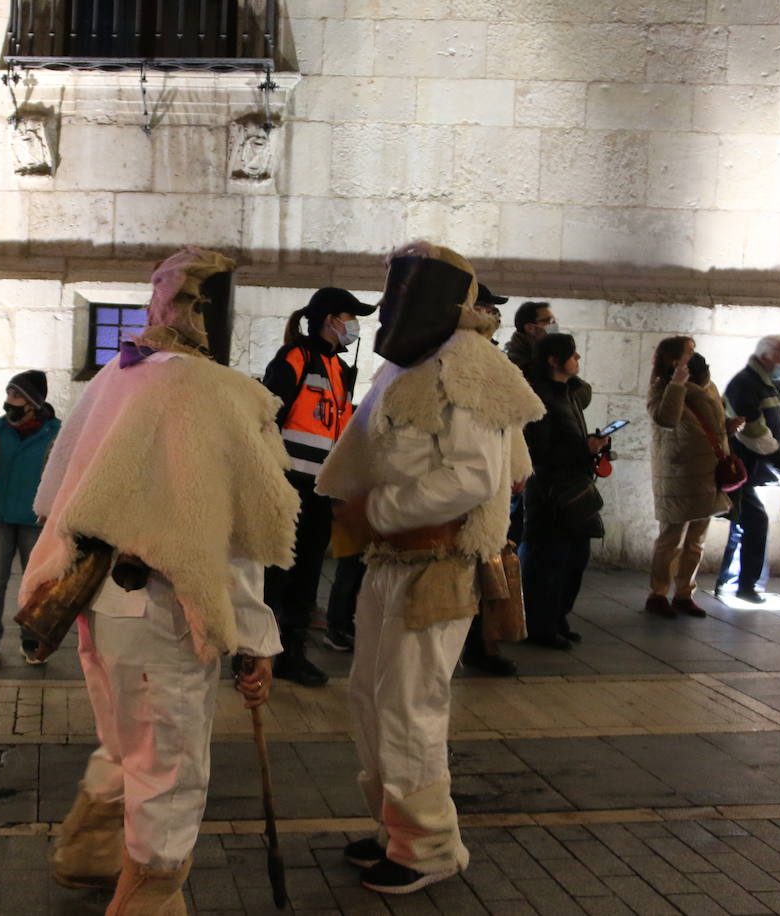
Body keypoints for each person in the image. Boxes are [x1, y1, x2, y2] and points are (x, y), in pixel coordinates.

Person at [39, 247, 296, 913]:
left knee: (131, 746)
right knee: (170, 772)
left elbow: (54, 494)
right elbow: (230, 534)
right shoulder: (214, 392)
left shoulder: (115, 377)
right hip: (165, 612)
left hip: (99, 603)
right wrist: (253, 637)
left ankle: (95, 851)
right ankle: (146, 900)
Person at [318, 240, 542, 894]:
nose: (390, 308)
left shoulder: (467, 365)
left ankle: (430, 848)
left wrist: (377, 512)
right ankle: (398, 828)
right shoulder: (410, 364)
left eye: (401, 294)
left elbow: (476, 476)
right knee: (370, 700)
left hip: (438, 564)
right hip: (391, 561)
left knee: (411, 706)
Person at [261, 287, 375, 685]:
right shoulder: (296, 357)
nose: (353, 325)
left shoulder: (338, 369)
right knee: (276, 575)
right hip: (288, 485)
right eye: (350, 316)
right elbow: (267, 415)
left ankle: (291, 655)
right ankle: (255, 654)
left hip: (321, 489)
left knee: (307, 576)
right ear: (329, 320)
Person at [0, 370, 61, 664]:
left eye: (16, 396)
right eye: (8, 394)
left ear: (33, 401)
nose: (9, 402)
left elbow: (57, 478)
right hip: (2, 518)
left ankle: (31, 641)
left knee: (33, 583)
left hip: (34, 519)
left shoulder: (55, 434)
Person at [518, 334, 607, 648]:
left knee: (574, 558)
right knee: (549, 561)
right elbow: (537, 452)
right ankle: (539, 625)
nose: (578, 358)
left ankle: (558, 617)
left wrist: (590, 447)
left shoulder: (569, 392)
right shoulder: (539, 398)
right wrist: (584, 449)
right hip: (550, 492)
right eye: (572, 355)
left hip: (574, 487)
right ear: (554, 361)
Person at [644, 337, 737, 618]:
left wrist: (729, 428)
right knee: (671, 537)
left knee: (697, 539)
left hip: (707, 473)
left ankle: (685, 593)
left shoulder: (708, 386)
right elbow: (667, 419)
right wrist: (677, 384)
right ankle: (658, 593)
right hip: (680, 473)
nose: (696, 356)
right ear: (675, 361)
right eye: (690, 352)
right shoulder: (661, 388)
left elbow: (713, 423)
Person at [460, 284, 520, 676]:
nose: (492, 316)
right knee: (471, 570)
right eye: (485, 308)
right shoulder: (463, 357)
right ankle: (475, 645)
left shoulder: (491, 356)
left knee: (487, 567)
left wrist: (517, 467)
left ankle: (484, 643)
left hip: (494, 480)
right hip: (473, 479)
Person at [718, 335, 780, 603]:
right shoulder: (747, 384)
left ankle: (733, 582)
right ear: (766, 356)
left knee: (744, 523)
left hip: (748, 470)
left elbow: (775, 430)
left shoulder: (767, 384)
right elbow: (755, 433)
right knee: (754, 521)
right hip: (739, 469)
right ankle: (744, 586)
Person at [503, 300, 556, 369]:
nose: (554, 324)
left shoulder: (547, 353)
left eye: (554, 320)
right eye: (548, 320)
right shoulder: (513, 362)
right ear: (530, 328)